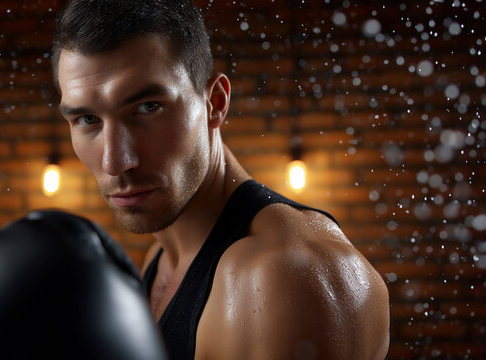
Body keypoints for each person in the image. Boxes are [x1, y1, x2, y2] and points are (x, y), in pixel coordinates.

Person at [52, 0, 390, 359]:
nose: (116, 161)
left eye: (148, 107)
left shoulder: (285, 275)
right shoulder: (160, 260)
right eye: (87, 119)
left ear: (214, 102)